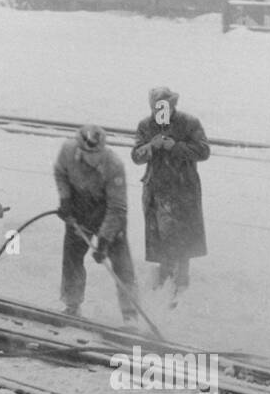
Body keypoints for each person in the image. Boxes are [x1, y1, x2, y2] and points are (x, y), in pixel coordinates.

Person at [131, 87, 209, 307]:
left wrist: (176, 146)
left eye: (165, 106)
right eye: (157, 107)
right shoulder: (145, 126)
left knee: (182, 241)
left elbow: (203, 151)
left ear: (173, 105)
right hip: (156, 190)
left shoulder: (189, 123)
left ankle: (180, 286)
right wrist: (150, 147)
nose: (161, 111)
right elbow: (136, 156)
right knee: (161, 240)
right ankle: (164, 282)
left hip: (182, 190)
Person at [53, 125, 139, 323]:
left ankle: (130, 314)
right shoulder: (67, 151)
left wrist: (105, 240)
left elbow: (117, 207)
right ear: (80, 149)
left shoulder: (114, 165)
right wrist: (65, 200)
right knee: (72, 257)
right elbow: (60, 173)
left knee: (122, 263)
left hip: (108, 211)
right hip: (79, 209)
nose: (94, 158)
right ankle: (72, 305)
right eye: (88, 153)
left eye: (97, 153)